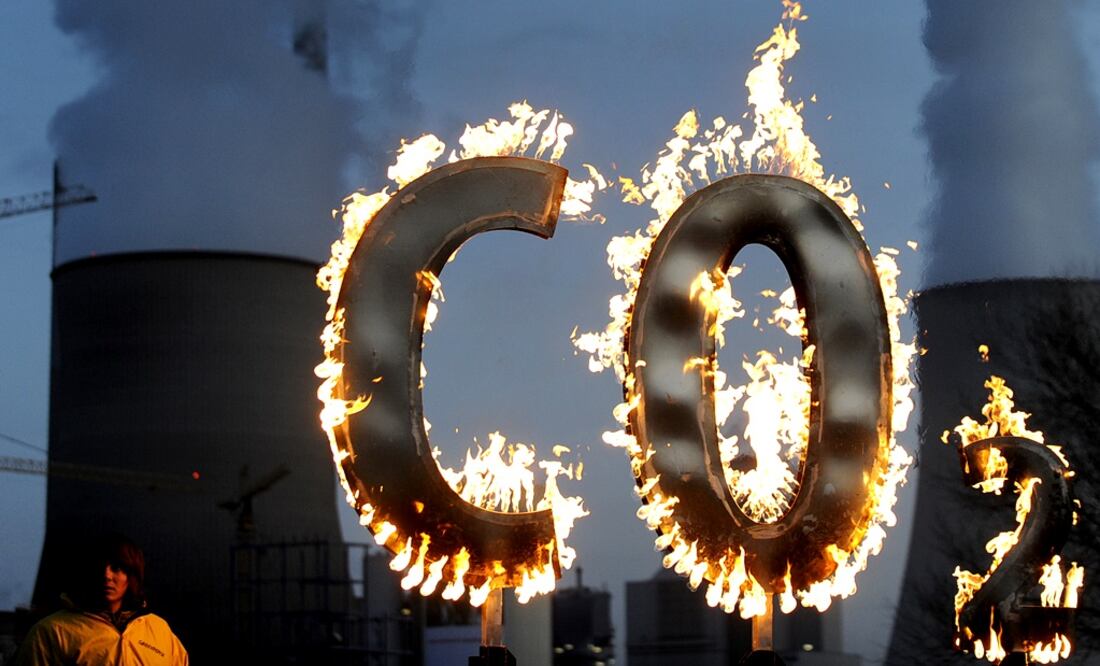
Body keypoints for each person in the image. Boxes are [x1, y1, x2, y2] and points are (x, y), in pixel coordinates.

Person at [13, 533, 188, 665]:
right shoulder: (53, 631)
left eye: (117, 568)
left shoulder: (159, 630)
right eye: (98, 567)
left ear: (131, 575)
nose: (106, 575)